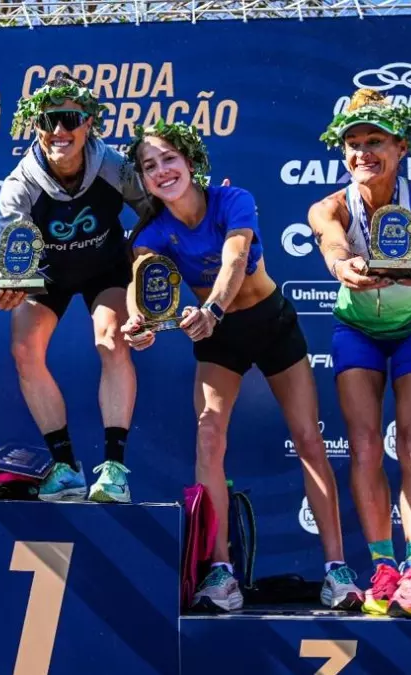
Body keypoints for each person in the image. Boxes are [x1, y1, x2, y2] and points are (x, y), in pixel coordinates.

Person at [121, 121, 362, 613]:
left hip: (270, 322)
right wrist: (137, 322)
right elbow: (142, 284)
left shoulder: (233, 200)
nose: (162, 171)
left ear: (190, 162)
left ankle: (337, 571)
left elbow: (234, 260)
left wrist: (210, 310)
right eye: (149, 166)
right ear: (144, 181)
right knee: (209, 437)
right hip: (220, 338)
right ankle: (221, 572)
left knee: (309, 440)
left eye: (168, 159)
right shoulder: (152, 232)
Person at [307, 88, 411, 619]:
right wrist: (343, 267)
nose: (362, 152)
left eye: (374, 141)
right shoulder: (329, 205)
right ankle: (383, 567)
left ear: (399, 147)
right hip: (357, 330)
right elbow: (332, 243)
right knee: (366, 445)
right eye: (352, 142)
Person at [0, 73, 154, 503]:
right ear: (36, 125)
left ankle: (115, 470)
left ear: (88, 124)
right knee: (24, 349)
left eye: (69, 119)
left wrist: (149, 255)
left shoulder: (116, 166)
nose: (59, 131)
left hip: (106, 268)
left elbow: (154, 213)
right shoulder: (19, 183)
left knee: (110, 340)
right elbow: (11, 242)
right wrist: (6, 282)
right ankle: (64, 467)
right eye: (48, 120)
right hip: (50, 274)